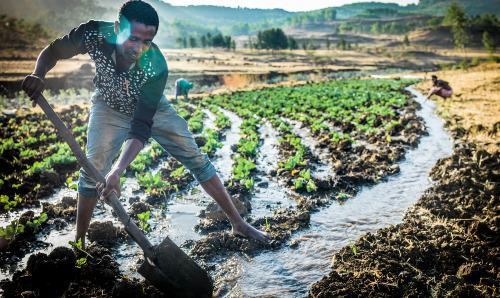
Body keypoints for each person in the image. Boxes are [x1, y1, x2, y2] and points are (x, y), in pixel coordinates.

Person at [21, 0, 269, 247]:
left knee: (196, 158)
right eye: (133, 38)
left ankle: (238, 223)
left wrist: (117, 171)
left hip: (152, 109)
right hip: (109, 106)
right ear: (118, 28)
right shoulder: (94, 33)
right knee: (92, 168)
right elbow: (53, 51)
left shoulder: (155, 64)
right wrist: (38, 74)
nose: (138, 47)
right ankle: (79, 241)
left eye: (146, 41)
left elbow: (141, 126)